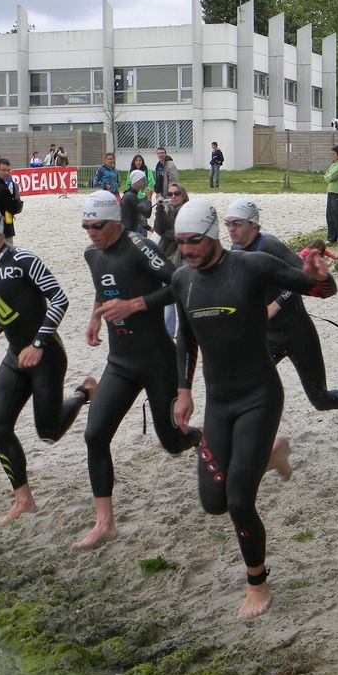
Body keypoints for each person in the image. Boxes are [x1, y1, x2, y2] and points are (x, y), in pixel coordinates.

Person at [171, 199, 337, 619]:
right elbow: (187, 339)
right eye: (180, 242)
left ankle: (257, 584)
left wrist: (319, 277)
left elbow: (319, 289)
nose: (187, 249)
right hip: (220, 402)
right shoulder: (182, 279)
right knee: (213, 501)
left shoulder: (251, 265)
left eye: (194, 241)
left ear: (210, 237)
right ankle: (271, 454)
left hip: (260, 395)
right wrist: (185, 389)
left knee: (239, 498)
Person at [74, 191, 201, 549]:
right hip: (120, 362)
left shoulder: (139, 246)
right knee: (95, 434)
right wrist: (95, 317)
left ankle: (200, 437)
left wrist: (135, 305)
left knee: (173, 443)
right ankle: (105, 523)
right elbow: (104, 286)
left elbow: (180, 283)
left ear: (115, 222)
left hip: (156, 360)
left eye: (96, 226)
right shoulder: (91, 254)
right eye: (85, 226)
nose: (91, 233)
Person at [0, 204, 95, 528]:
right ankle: (24, 498)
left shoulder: (25, 260)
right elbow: (11, 307)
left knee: (47, 433)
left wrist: (38, 344)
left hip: (46, 355)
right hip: (14, 356)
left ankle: (84, 392)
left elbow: (60, 299)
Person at [225, 197, 338, 430]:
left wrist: (275, 305)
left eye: (237, 223)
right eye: (227, 223)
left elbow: (301, 281)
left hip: (296, 333)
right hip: (267, 337)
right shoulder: (235, 250)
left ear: (254, 225)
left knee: (320, 399)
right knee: (245, 388)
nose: (231, 229)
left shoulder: (269, 246)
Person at [153, 182, 190, 337]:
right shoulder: (168, 211)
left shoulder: (187, 211)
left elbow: (180, 233)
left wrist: (170, 234)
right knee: (168, 297)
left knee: (183, 297)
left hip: (182, 257)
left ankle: (184, 330)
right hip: (168, 256)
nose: (173, 196)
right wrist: (160, 209)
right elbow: (159, 229)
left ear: (183, 196)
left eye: (176, 193)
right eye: (170, 194)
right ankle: (169, 332)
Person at [120, 170, 149, 236]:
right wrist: (149, 198)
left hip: (127, 232)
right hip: (128, 234)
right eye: (144, 179)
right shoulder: (131, 196)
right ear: (137, 181)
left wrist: (150, 229)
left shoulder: (130, 194)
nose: (146, 182)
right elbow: (147, 214)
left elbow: (138, 219)